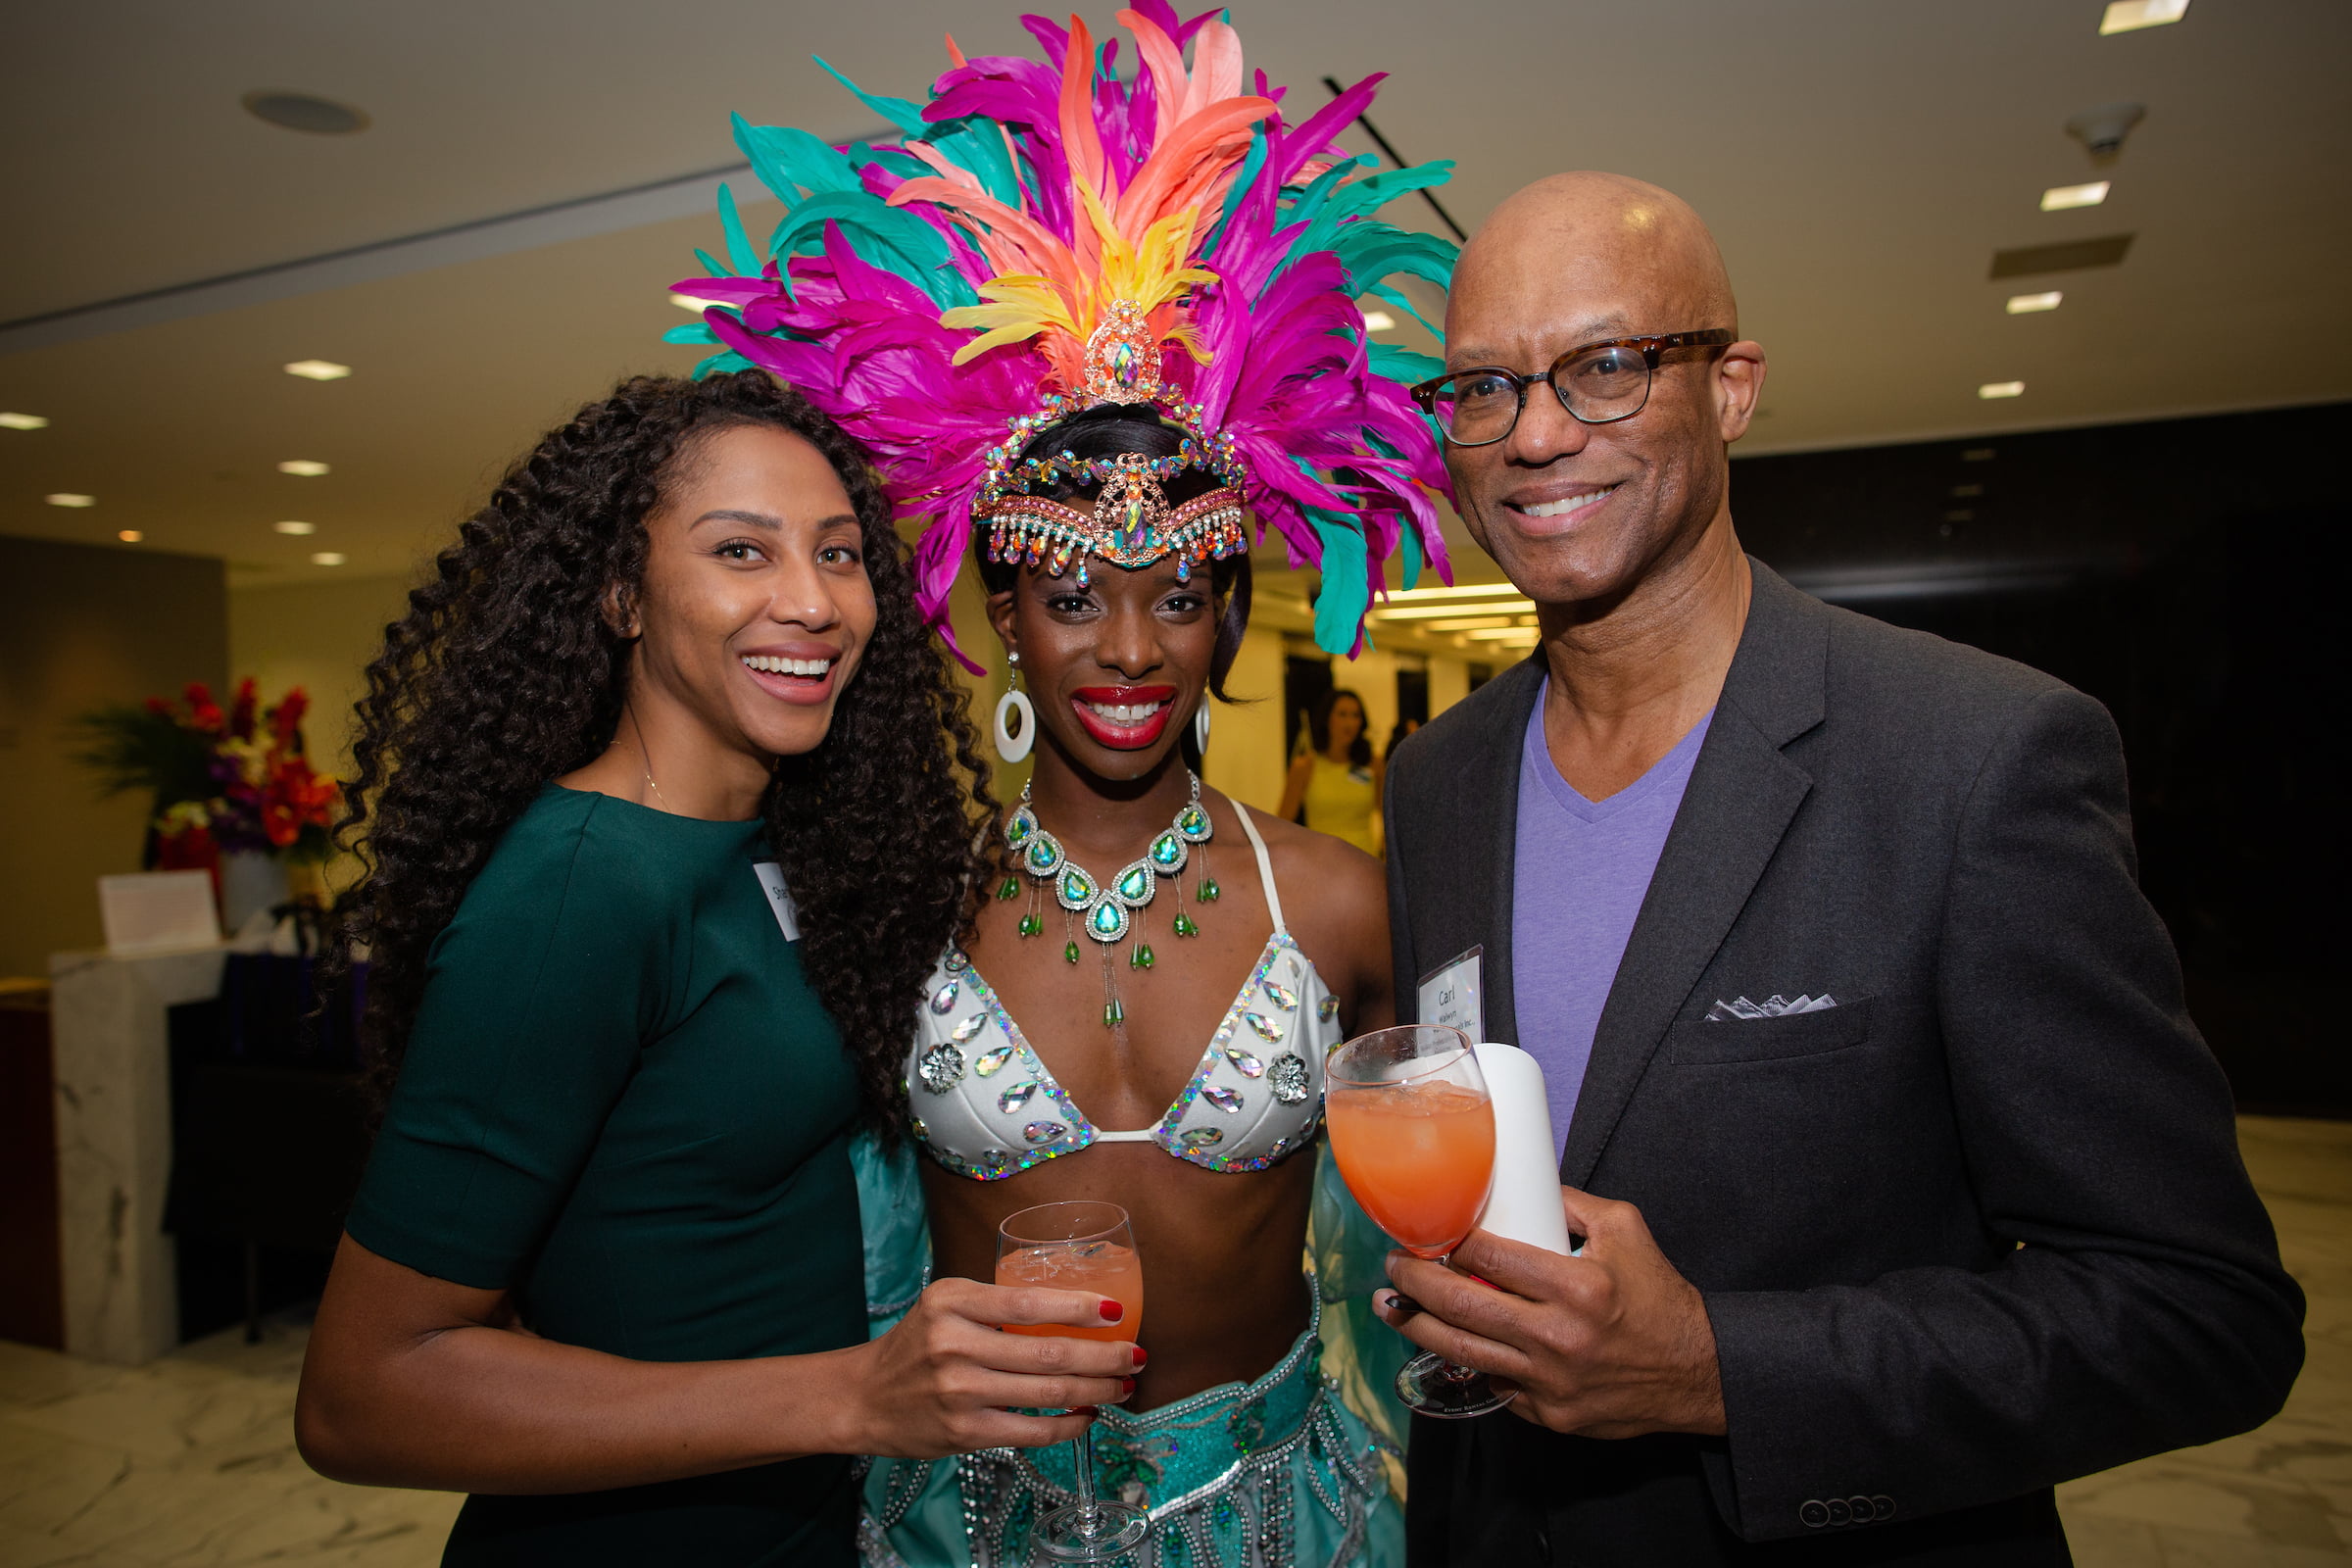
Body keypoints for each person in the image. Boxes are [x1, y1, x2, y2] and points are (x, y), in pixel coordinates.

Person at [1377, 172, 2304, 1564]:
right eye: (1483, 388)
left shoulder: (1973, 759)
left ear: (1733, 388)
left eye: (1608, 366)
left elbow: (2200, 1313)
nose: (1539, 433)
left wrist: (1717, 1369)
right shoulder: (1438, 781)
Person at [669, 9, 1462, 1562]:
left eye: (1179, 596)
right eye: (1074, 594)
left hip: (1278, 1519)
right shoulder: (901, 900)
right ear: (1003, 616)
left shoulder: (1338, 902)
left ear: (1227, 618)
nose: (1130, 648)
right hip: (966, 1523)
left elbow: (1421, 1241)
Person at [295, 373, 1140, 1567]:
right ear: (620, 593)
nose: (812, 602)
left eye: (839, 554)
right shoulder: (581, 886)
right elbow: (361, 1393)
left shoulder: (763, 845)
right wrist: (854, 1394)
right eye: (741, 551)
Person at [1280, 688, 1383, 856]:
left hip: (1364, 859)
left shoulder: (1373, 764)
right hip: (1319, 860)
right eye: (1342, 714)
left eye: (1355, 715)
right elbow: (1283, 822)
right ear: (1327, 718)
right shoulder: (1305, 766)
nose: (1349, 723)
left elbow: (1389, 818)